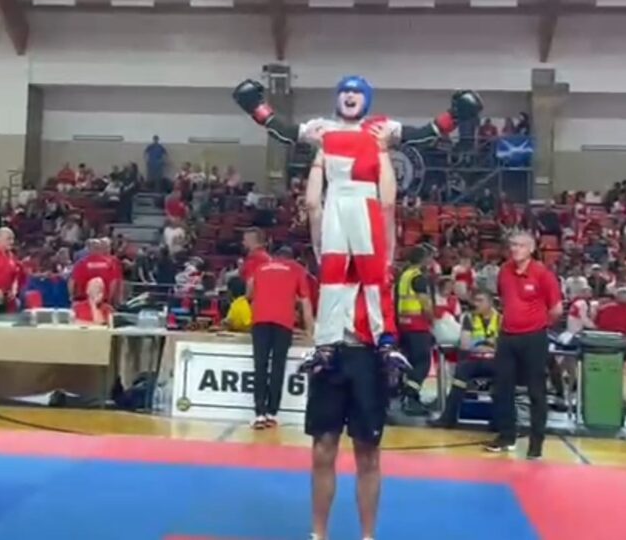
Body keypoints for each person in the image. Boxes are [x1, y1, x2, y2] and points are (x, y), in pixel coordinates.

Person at [232, 73, 481, 540]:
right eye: (344, 90)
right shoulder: (323, 137)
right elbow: (285, 131)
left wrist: (456, 116)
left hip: (367, 345)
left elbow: (424, 135)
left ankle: (368, 537)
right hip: (334, 337)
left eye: (357, 91)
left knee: (368, 451)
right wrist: (256, 109)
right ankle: (317, 534)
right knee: (323, 448)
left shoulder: (381, 132)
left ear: (366, 99)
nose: (349, 97)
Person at [487, 231, 562, 457]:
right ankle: (507, 436)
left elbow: (556, 309)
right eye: (512, 245)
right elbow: (502, 298)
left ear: (531, 248)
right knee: (502, 387)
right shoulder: (504, 271)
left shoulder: (543, 274)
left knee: (536, 391)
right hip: (508, 336)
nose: (515, 249)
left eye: (520, 245)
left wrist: (539, 325)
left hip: (534, 338)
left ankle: (536, 442)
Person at [249, 246, 314, 430]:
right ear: (291, 258)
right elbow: (305, 302)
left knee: (260, 365)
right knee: (278, 366)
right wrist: (310, 331)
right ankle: (272, 413)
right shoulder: (297, 269)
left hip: (260, 321)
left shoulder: (261, 268)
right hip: (283, 323)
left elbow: (249, 293)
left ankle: (259, 413)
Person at [430, 289, 500, 428]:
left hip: (495, 361)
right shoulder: (469, 318)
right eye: (475, 301)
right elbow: (465, 343)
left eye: (480, 301)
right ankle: (447, 419)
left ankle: (499, 421)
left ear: (490, 303)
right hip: (474, 360)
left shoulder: (502, 319)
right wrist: (485, 345)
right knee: (460, 375)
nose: (476, 304)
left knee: (504, 379)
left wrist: (489, 346)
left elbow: (504, 345)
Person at [396, 245, 435, 416]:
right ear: (424, 259)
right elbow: (425, 305)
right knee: (422, 363)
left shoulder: (403, 276)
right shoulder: (419, 278)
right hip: (418, 326)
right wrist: (432, 320)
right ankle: (410, 397)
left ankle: (406, 395)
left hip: (403, 325)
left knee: (409, 363)